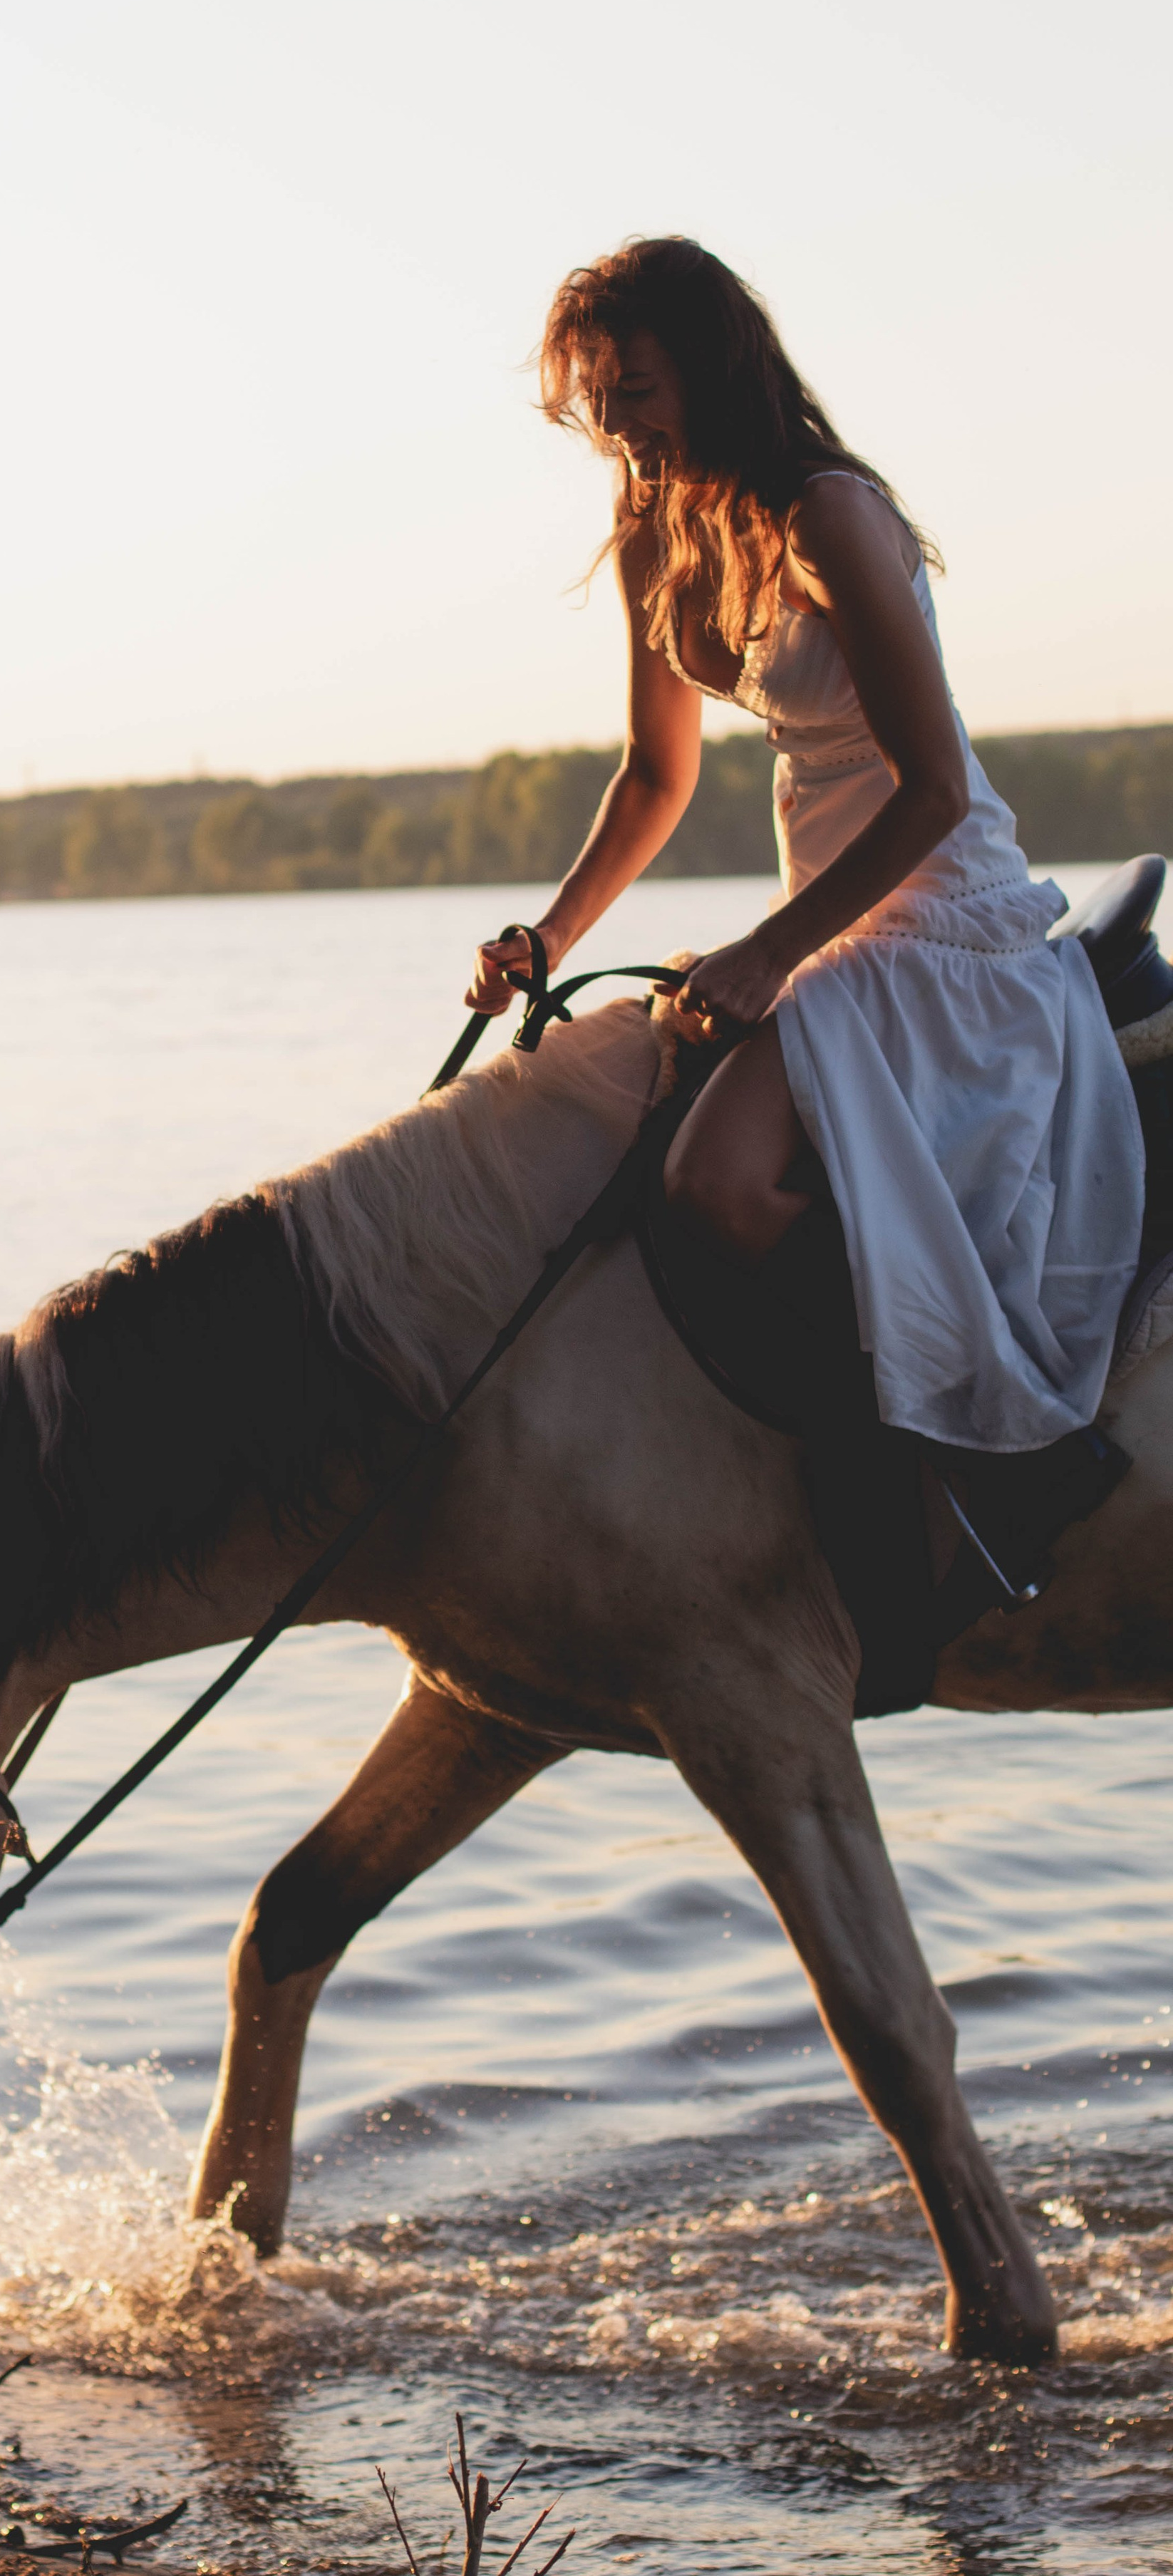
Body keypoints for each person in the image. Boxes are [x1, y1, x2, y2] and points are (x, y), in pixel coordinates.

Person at [468, 237, 1142, 1595]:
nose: (618, 426)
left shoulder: (827, 516)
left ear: (712, 370)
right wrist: (551, 941)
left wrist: (770, 954)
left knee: (716, 1183)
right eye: (599, 399)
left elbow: (935, 788)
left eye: (638, 388)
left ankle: (983, 1469)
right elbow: (655, 778)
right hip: (832, 927)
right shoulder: (656, 536)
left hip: (940, 923)